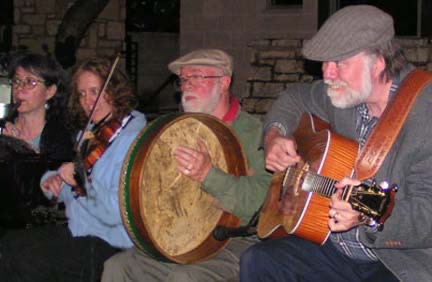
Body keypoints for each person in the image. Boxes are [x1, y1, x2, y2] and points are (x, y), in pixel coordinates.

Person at [239, 5, 432, 282]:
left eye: (339, 63)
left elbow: (427, 215)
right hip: (333, 246)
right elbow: (294, 98)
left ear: (378, 62)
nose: (327, 74)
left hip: (394, 260)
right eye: (325, 63)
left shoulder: (426, 113)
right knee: (259, 261)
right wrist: (274, 135)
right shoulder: (343, 97)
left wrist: (368, 215)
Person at [101, 49, 272, 282]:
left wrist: (209, 175)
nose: (186, 85)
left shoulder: (255, 133)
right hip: (180, 238)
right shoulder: (176, 129)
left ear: (224, 82)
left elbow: (264, 202)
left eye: (197, 77)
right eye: (183, 79)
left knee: (186, 277)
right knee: (118, 266)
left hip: (234, 240)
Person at [0, 57, 147, 281]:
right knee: (10, 245)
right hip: (79, 228)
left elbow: (115, 212)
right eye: (82, 94)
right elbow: (71, 193)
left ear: (114, 90)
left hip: (110, 239)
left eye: (95, 91)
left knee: (20, 255)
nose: (89, 101)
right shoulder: (88, 134)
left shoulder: (133, 140)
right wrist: (54, 182)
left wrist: (79, 182)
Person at [0, 52, 74, 230]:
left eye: (30, 82)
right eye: (17, 81)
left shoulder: (61, 136)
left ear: (50, 91)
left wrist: (21, 152)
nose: (19, 89)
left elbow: (51, 198)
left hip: (37, 229)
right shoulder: (2, 128)